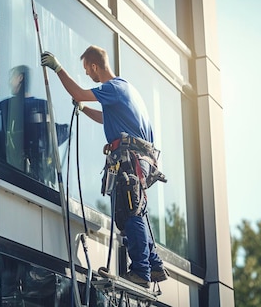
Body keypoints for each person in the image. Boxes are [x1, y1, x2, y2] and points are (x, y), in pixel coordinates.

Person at [41, 46, 168, 288]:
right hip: (141, 158)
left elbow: (78, 92)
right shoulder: (126, 90)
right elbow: (105, 117)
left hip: (130, 158)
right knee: (136, 209)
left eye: (87, 69)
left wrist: (58, 69)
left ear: (94, 66)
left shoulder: (113, 87)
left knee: (129, 211)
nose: (88, 74)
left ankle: (141, 270)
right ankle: (153, 263)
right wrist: (84, 109)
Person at [0, 65, 69, 186]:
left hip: (37, 174)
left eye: (12, 78)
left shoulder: (40, 106)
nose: (10, 82)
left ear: (20, 78)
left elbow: (55, 134)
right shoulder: (8, 105)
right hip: (15, 171)